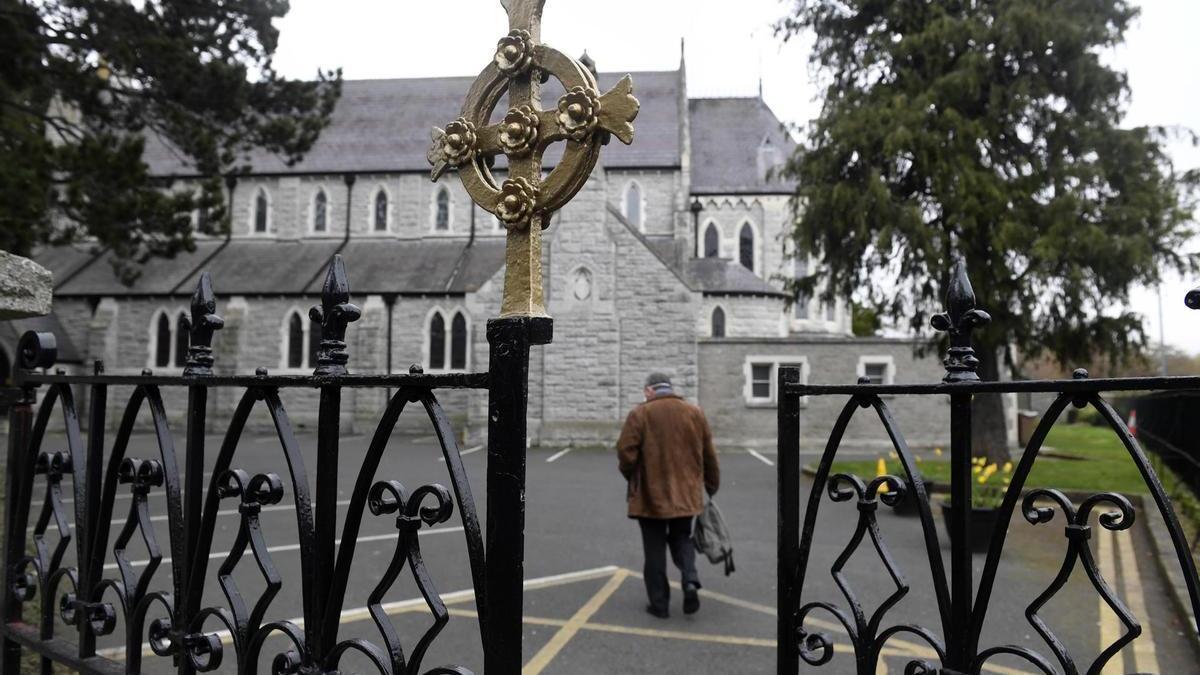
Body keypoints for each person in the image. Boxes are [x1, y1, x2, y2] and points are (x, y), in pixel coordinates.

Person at [617, 372, 720, 619]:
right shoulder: (694, 412)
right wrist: (711, 485)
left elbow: (625, 452)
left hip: (650, 497)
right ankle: (690, 579)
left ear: (650, 390)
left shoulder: (640, 414)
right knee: (682, 538)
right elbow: (709, 453)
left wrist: (632, 476)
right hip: (686, 494)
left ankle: (659, 605)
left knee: (654, 552)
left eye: (645, 392)